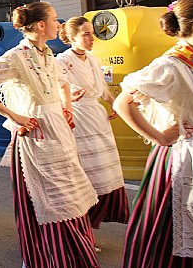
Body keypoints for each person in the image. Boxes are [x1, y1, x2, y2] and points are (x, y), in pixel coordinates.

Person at [0, 2, 98, 267]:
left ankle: (68, 254)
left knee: (70, 195)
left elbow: (59, 84)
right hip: (36, 135)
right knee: (49, 200)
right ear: (41, 26)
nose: (59, 25)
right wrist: (15, 117)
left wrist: (66, 105)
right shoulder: (15, 56)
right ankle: (45, 256)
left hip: (57, 131)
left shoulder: (48, 54)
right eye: (55, 20)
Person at [114, 0, 193, 267]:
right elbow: (123, 102)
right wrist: (160, 137)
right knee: (184, 234)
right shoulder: (170, 65)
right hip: (190, 159)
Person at [57, 17, 129, 233]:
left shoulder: (93, 59)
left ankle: (96, 219)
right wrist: (68, 99)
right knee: (87, 171)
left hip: (97, 117)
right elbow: (60, 88)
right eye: (86, 34)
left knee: (106, 169)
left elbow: (102, 88)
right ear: (72, 37)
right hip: (79, 119)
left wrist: (113, 103)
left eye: (92, 33)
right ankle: (83, 223)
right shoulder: (61, 61)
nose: (91, 38)